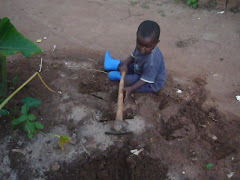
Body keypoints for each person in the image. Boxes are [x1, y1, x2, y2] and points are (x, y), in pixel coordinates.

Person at [118, 20, 166, 102]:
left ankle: (118, 76)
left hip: (150, 83)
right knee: (122, 64)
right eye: (139, 44)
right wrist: (125, 64)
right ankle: (114, 66)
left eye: (147, 47)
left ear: (156, 43)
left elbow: (144, 80)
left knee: (128, 80)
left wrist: (131, 89)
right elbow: (133, 57)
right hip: (139, 69)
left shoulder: (152, 62)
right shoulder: (142, 45)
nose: (142, 49)